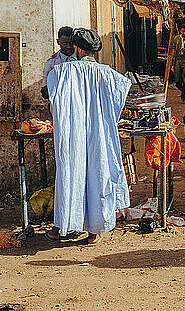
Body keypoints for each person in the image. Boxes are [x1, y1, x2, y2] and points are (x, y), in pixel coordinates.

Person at [45, 28, 131, 245]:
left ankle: (62, 226)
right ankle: (94, 232)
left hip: (73, 134)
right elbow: (122, 91)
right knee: (99, 176)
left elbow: (50, 94)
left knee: (70, 175)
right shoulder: (109, 74)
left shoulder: (62, 72)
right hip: (100, 135)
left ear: (77, 48)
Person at [41, 26, 77, 99]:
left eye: (71, 43)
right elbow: (44, 92)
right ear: (58, 42)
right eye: (65, 44)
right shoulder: (51, 63)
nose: (69, 47)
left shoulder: (81, 60)